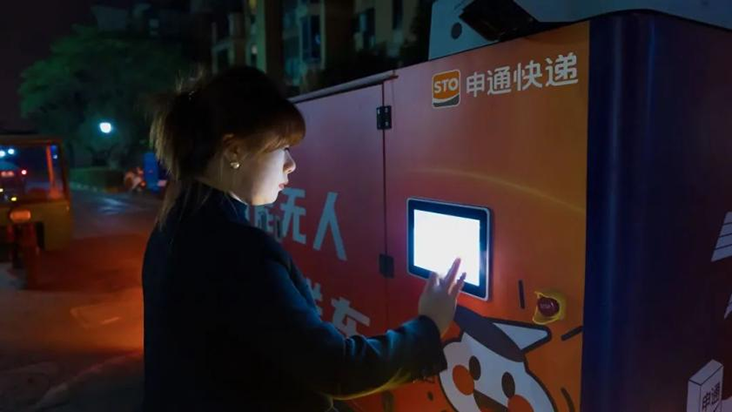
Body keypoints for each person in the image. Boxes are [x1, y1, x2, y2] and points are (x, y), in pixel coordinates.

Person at [142, 66, 466, 411]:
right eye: (281, 147)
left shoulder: (173, 226)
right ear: (234, 151)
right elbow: (338, 369)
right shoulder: (238, 253)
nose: (291, 164)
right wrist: (429, 326)